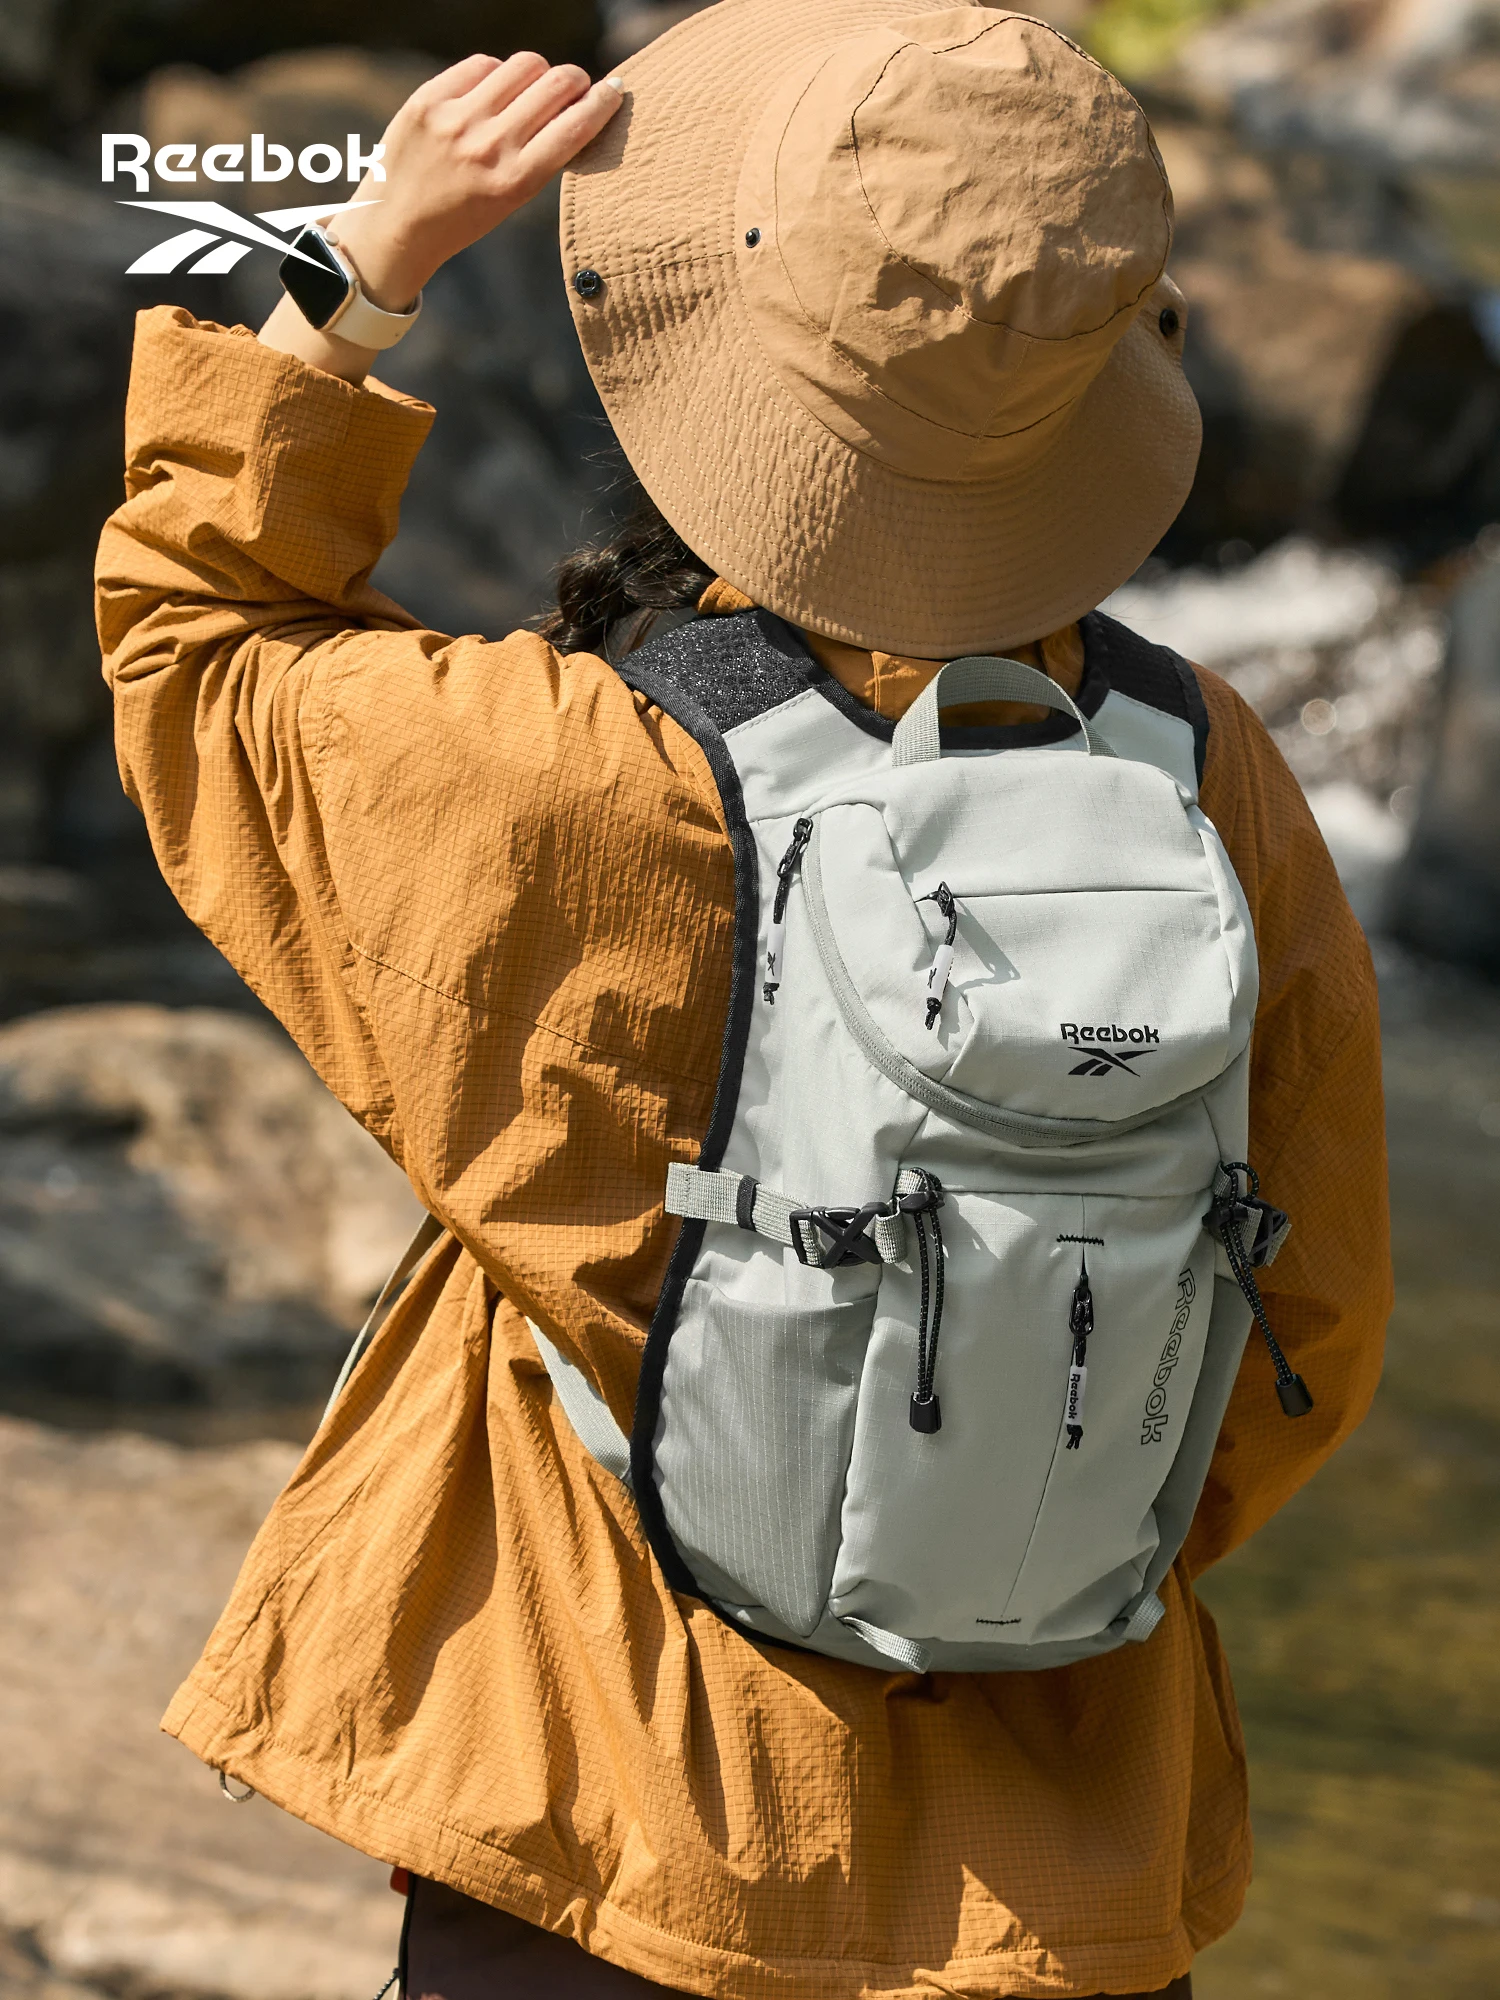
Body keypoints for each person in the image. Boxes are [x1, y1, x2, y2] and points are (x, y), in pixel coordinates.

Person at [96, 5, 1390, 1996]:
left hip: (599, 1828)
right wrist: (1015, 1515)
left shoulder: (550, 769)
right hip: (1065, 1870)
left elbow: (196, 644)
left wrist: (351, 278)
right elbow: (1311, 1311)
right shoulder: (1213, 775)